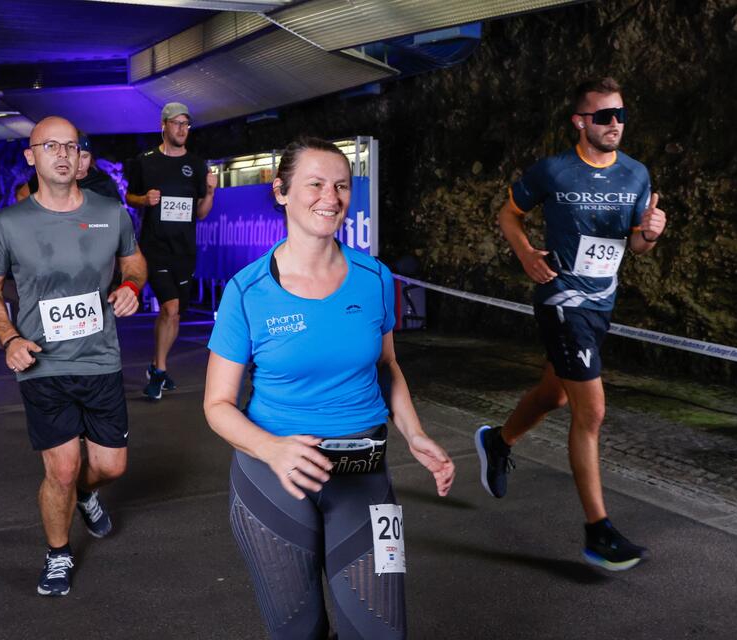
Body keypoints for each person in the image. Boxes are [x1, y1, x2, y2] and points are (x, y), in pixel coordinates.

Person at [203, 137, 455, 639]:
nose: (331, 197)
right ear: (281, 192)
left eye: (341, 186)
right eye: (315, 184)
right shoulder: (247, 291)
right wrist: (271, 449)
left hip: (364, 472)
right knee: (299, 632)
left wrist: (413, 432)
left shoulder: (375, 277)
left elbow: (387, 366)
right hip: (274, 480)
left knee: (382, 630)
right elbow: (217, 405)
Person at [478, 77, 667, 571]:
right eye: (603, 116)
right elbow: (509, 214)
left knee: (554, 395)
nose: (614, 125)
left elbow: (638, 244)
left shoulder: (635, 175)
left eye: (621, 115)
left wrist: (651, 234)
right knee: (592, 411)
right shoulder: (554, 171)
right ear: (580, 122)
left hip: (602, 301)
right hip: (561, 300)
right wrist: (524, 254)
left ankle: (498, 442)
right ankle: (597, 532)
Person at [0, 116, 147, 597]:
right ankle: (58, 553)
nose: (63, 154)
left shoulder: (110, 212)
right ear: (31, 156)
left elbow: (132, 260)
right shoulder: (9, 224)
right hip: (42, 365)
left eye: (71, 146)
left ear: (80, 156)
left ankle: (88, 495)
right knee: (62, 468)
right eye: (50, 145)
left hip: (101, 360)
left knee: (111, 466)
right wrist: (9, 338)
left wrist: (131, 284)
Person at [126, 102, 217, 399]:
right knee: (170, 307)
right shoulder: (146, 160)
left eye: (186, 124)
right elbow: (130, 196)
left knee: (176, 314)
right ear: (163, 125)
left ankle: (156, 367)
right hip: (155, 247)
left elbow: (202, 213)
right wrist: (144, 198)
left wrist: (212, 191)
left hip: (185, 249)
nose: (182, 129)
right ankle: (161, 370)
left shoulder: (197, 164)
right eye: (176, 124)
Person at [16, 133, 120, 203]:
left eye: (84, 157)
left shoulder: (103, 182)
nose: (79, 164)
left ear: (91, 158)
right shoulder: (48, 177)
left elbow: (116, 216)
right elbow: (22, 195)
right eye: (74, 157)